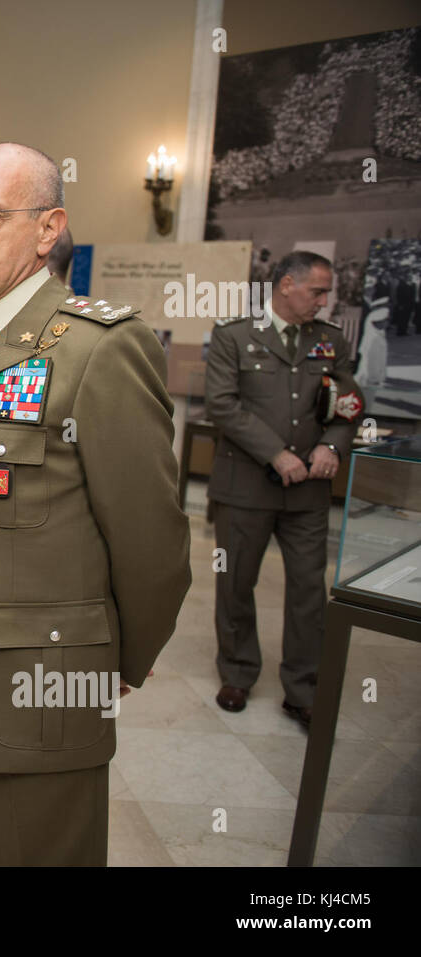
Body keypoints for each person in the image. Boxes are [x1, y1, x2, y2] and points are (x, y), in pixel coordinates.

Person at [0, 143, 191, 866]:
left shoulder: (98, 348)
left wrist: (119, 656)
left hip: (40, 688)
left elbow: (150, 538)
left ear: (47, 227)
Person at [207, 250, 364, 728]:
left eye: (326, 292)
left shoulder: (329, 341)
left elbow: (349, 403)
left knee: (308, 593)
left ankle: (303, 689)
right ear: (286, 286)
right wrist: (276, 453)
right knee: (235, 584)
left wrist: (333, 447)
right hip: (245, 487)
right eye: (317, 291)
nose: (324, 300)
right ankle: (237, 673)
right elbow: (222, 404)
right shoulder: (234, 335)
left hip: (308, 493)